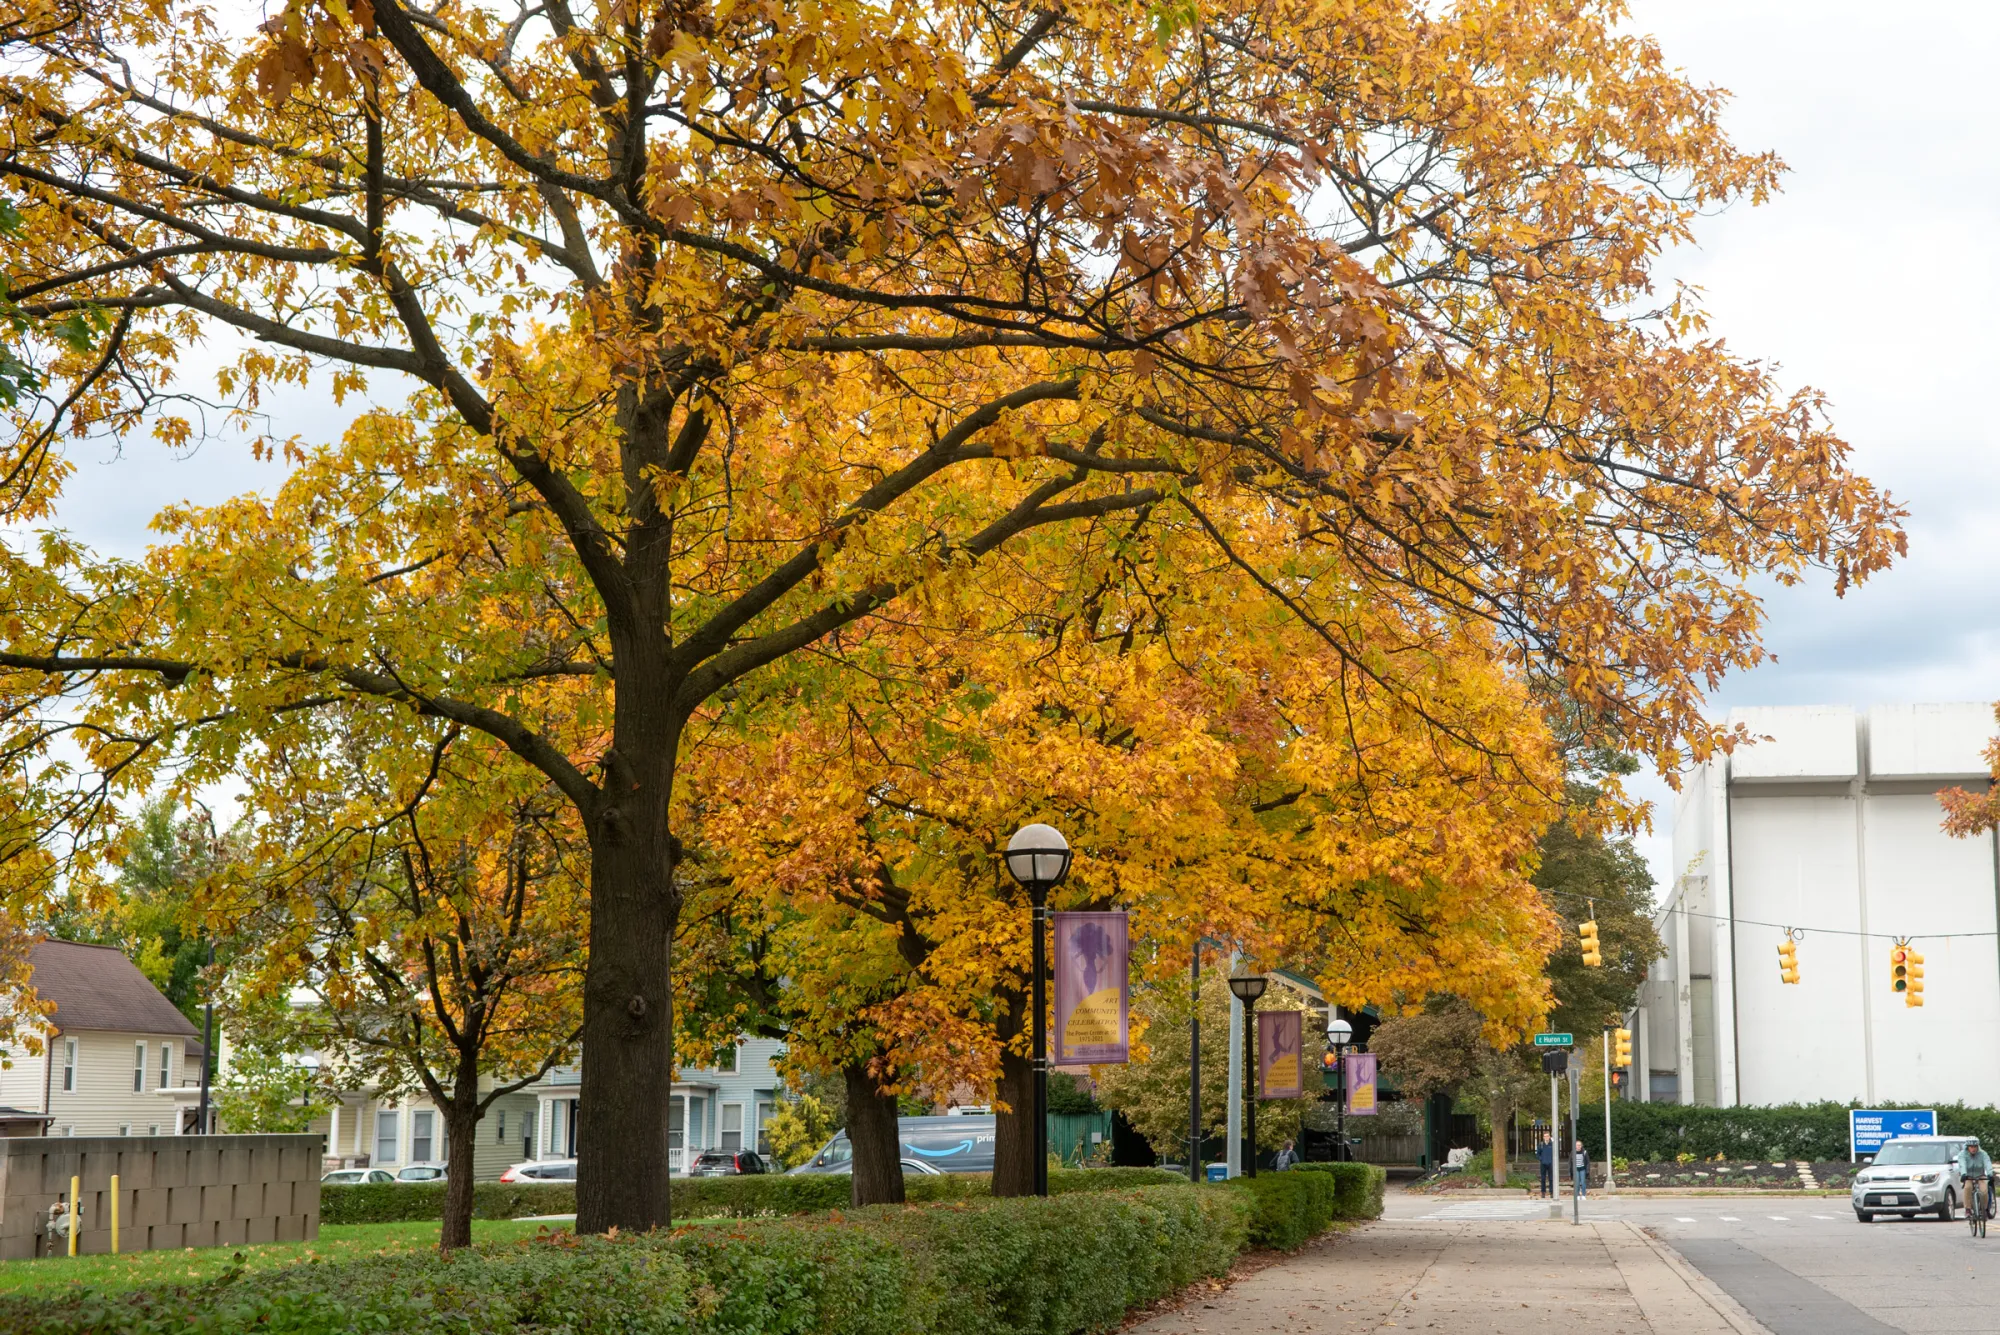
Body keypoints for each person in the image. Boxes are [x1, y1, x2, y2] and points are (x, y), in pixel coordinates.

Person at [1958, 1137, 1993, 1221]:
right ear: (1967, 1147)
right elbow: (1962, 1164)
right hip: (1968, 1176)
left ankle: (1983, 1210)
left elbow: (1987, 1163)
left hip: (1980, 1176)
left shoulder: (1983, 1154)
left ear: (1978, 1146)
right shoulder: (1962, 1154)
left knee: (1984, 1191)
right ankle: (1968, 1210)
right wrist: (1963, 1174)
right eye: (1971, 1147)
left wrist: (1990, 1174)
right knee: (1967, 1188)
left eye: (1975, 1146)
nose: (1973, 1149)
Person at [1536, 1131, 1555, 1198]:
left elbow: (1556, 1152)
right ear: (1543, 1137)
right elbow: (1537, 1154)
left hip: (1550, 1164)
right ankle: (1543, 1192)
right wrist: (1542, 1159)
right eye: (1545, 1136)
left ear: (1549, 1137)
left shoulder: (1552, 1144)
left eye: (1547, 1136)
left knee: (1551, 1179)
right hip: (1543, 1164)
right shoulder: (1541, 1144)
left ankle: (1551, 1192)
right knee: (1543, 1179)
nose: (1546, 1137)